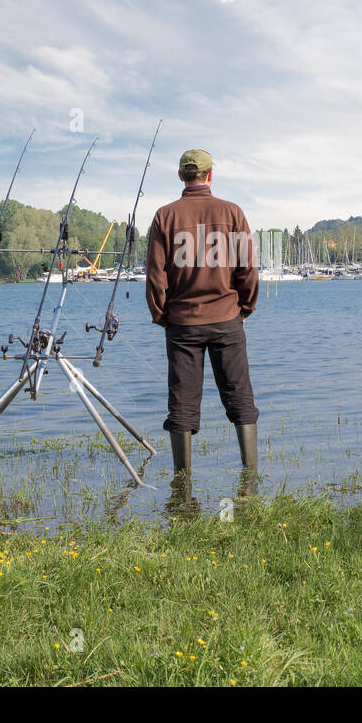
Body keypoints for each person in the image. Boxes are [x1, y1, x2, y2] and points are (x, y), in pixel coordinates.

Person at [145, 148, 260, 477]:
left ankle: (182, 485)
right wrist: (244, 309)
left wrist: (161, 316)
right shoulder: (232, 212)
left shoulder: (164, 216)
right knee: (240, 395)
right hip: (227, 319)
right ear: (211, 175)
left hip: (182, 324)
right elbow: (247, 270)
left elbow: (155, 276)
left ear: (181, 176)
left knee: (182, 401)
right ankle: (249, 478)